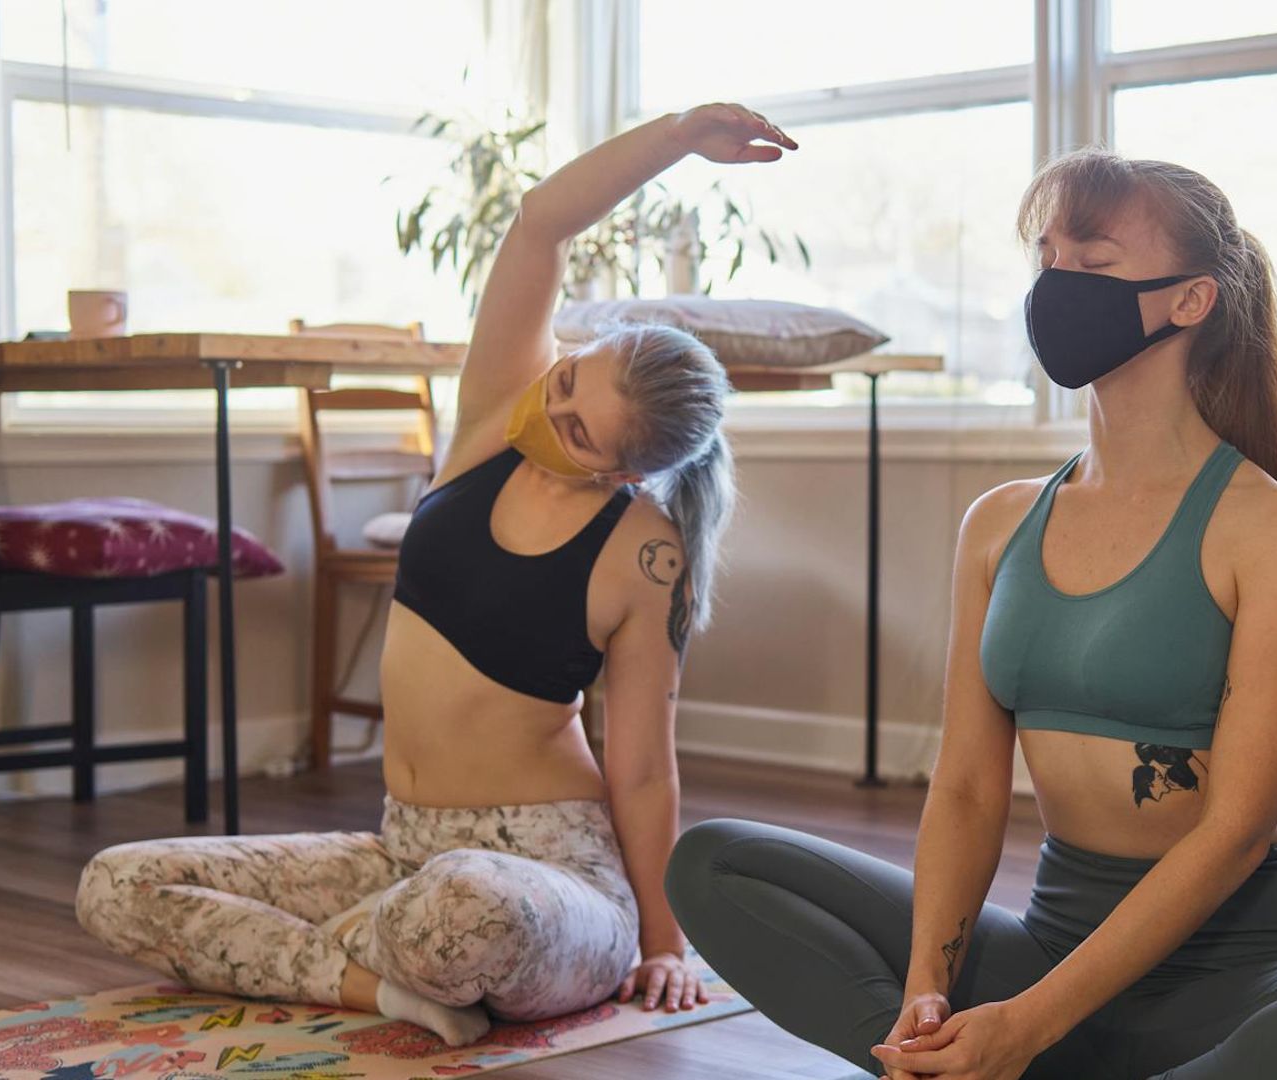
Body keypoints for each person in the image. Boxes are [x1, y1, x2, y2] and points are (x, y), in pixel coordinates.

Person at [666, 149, 1277, 1080]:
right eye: (1050, 260)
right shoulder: (998, 524)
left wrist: (1029, 1026)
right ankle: (933, 1064)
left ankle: (1025, 1062)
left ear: (1190, 300)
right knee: (716, 864)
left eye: (1096, 262)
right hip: (1049, 955)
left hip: (1229, 986)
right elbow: (963, 789)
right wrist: (930, 995)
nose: (1060, 284)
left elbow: (1235, 833)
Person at [76, 103, 797, 1046]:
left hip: (547, 874)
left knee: (466, 912)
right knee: (119, 882)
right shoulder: (496, 416)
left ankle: (346, 959)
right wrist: (675, 138)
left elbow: (642, 763)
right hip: (398, 847)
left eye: (579, 427)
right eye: (571, 374)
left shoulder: (645, 550)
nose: (556, 403)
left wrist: (664, 944)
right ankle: (373, 983)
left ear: (626, 470)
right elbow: (541, 221)